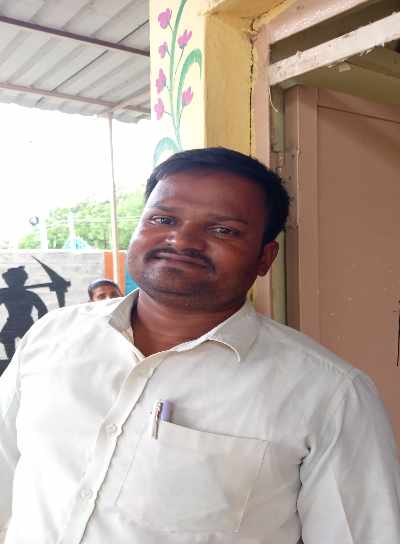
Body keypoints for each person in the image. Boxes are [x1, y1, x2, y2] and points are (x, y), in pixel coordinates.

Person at [0, 147, 399, 544]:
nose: (182, 239)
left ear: (265, 257)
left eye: (223, 229)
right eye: (163, 219)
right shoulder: (52, 337)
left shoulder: (331, 394)